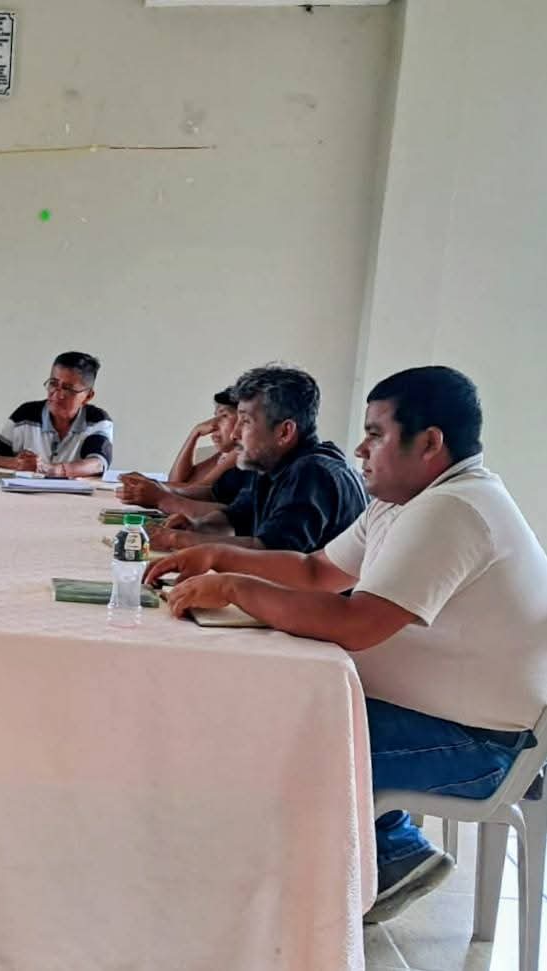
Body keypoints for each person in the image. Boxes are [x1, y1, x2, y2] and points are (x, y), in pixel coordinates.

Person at [148, 366, 547, 924]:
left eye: (376, 434)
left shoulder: (457, 508)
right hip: (431, 715)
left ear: (430, 442)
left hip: (482, 746)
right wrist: (218, 557)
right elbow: (317, 571)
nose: (360, 448)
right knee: (281, 712)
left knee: (277, 743)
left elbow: (355, 623)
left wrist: (236, 587)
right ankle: (389, 853)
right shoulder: (404, 499)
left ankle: (356, 872)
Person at [149, 365, 365, 554]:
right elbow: (234, 518)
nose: (235, 434)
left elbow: (269, 553)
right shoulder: (270, 465)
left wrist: (181, 540)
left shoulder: (312, 473)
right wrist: (197, 527)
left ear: (284, 432)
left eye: (245, 421)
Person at [119, 387, 254, 519]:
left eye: (224, 416)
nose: (213, 424)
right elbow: (177, 481)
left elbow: (201, 489)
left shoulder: (240, 453)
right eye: (215, 416)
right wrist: (194, 434)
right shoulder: (223, 455)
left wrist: (155, 488)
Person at [0, 351, 112, 478]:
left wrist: (55, 470)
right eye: (53, 384)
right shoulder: (25, 414)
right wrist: (17, 463)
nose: (57, 394)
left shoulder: (97, 419)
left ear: (88, 396)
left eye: (67, 388)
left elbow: (98, 464)